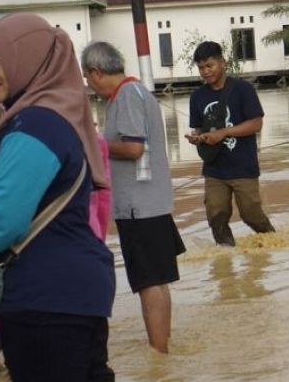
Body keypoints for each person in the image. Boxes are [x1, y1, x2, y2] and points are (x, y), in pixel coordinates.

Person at [0, 13, 115, 381]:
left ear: (29, 58)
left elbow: (2, 220)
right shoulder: (59, 116)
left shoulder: (35, 124)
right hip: (76, 293)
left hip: (44, 301)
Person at [82, 41, 185, 354]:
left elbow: (133, 148)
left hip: (140, 207)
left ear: (97, 73)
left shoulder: (127, 95)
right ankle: (161, 350)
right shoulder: (133, 93)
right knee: (155, 280)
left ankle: (159, 353)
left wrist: (93, 144)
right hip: (148, 204)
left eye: (88, 78)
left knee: (148, 282)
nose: (89, 85)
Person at [185, 41, 275, 246]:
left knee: (251, 215)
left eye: (210, 66)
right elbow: (198, 127)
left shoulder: (243, 89)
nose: (205, 72)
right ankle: (225, 256)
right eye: (201, 68)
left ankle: (274, 245)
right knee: (215, 214)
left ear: (222, 63)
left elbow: (256, 124)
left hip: (243, 166)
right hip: (214, 169)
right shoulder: (197, 97)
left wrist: (224, 133)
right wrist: (197, 137)